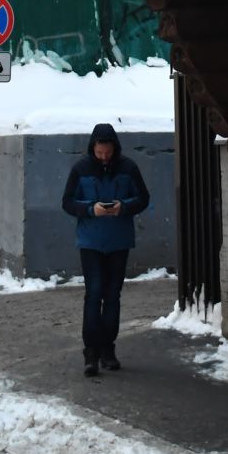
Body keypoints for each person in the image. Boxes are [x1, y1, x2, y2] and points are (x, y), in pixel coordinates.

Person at [60, 122, 150, 377]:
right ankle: (91, 353)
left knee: (112, 295)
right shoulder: (81, 169)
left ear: (115, 148)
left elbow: (143, 198)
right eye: (99, 153)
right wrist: (90, 209)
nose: (104, 157)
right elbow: (67, 201)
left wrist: (124, 206)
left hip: (119, 241)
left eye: (108, 152)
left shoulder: (128, 167)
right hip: (90, 241)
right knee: (94, 292)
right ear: (93, 148)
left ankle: (108, 348)